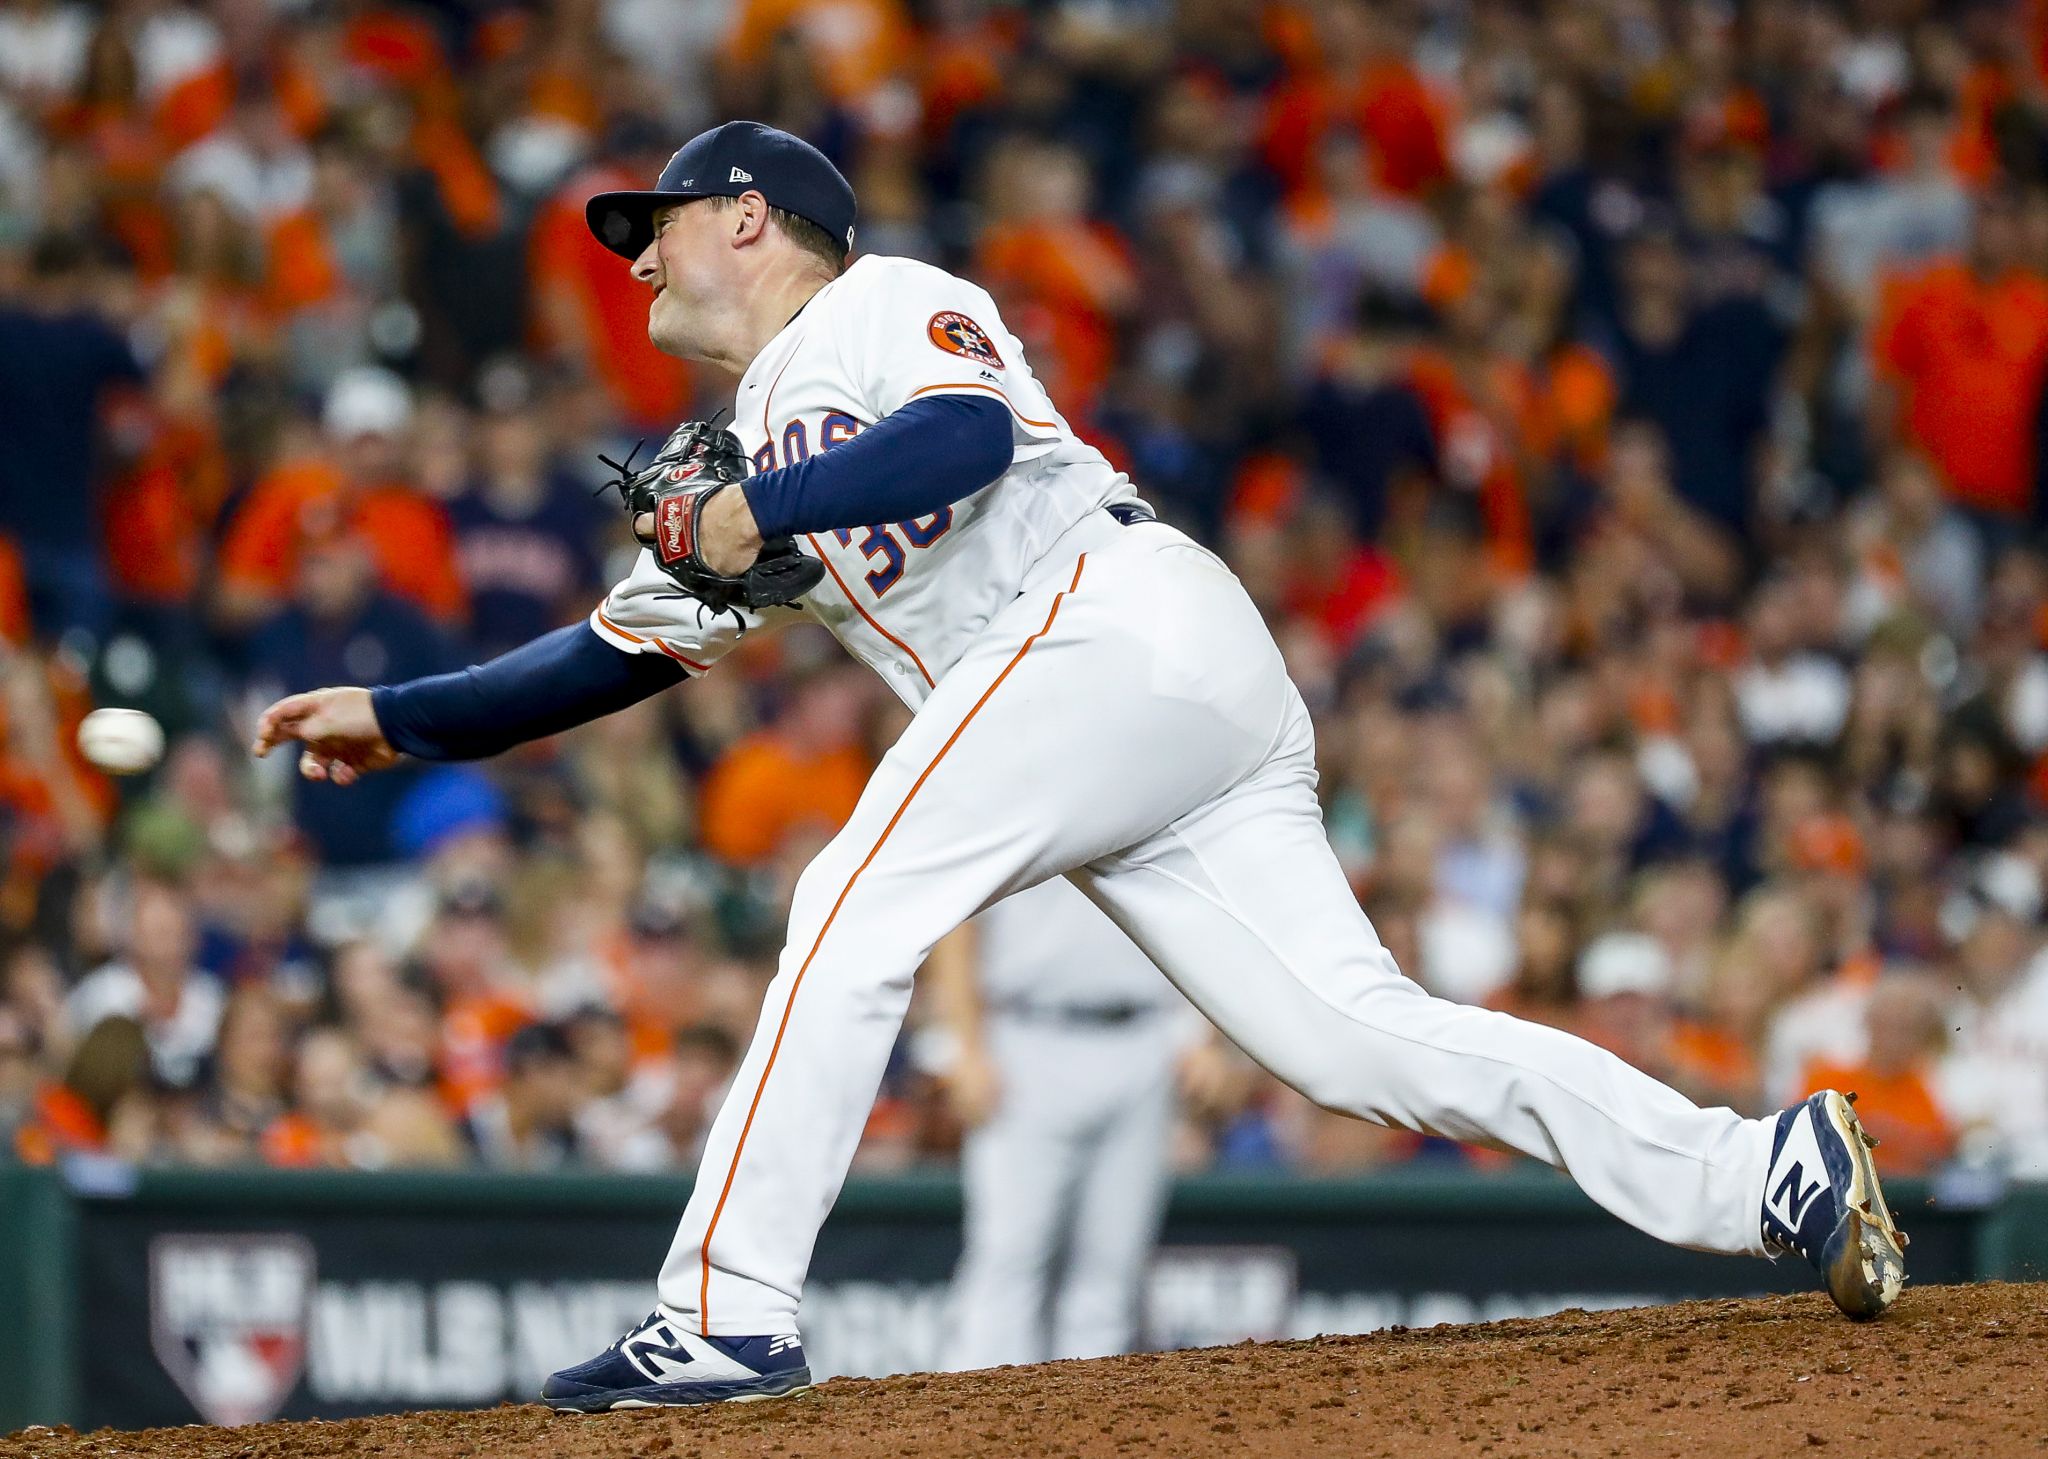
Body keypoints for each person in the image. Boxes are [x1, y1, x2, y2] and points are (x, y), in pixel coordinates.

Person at [250, 121, 1907, 1412]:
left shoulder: (876, 302)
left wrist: (765, 510)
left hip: (1113, 621)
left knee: (848, 892)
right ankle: (1761, 1167)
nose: (634, 265)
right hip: (1137, 709)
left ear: (750, 215)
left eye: (655, 227)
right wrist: (392, 716)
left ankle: (719, 1310)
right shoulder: (738, 463)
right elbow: (598, 659)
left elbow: (964, 436)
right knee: (1356, 1040)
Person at [929, 878, 1196, 1369]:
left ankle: (1091, 1432)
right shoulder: (1008, 798)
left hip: (1145, 1035)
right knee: (1011, 1254)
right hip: (1027, 1037)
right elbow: (959, 916)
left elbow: (1193, 904)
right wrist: (965, 1047)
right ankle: (973, 1428)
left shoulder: (1157, 799)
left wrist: (1199, 1032)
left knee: (1112, 1270)